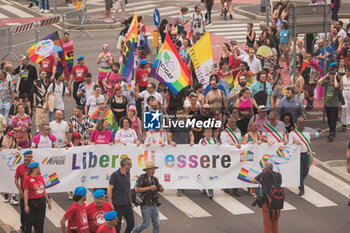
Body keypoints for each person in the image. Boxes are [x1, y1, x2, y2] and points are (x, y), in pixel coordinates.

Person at [168, 107, 194, 196]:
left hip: (186, 149)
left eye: (181, 113)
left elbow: (191, 134)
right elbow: (169, 135)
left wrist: (192, 141)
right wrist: (171, 142)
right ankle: (179, 187)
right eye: (178, 113)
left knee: (184, 168)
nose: (180, 114)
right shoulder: (173, 123)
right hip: (176, 150)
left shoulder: (187, 123)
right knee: (178, 169)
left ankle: (183, 185)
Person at [289, 117, 319, 196]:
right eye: (300, 123)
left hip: (307, 154)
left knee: (306, 171)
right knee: (300, 172)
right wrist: (295, 144)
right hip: (297, 155)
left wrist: (317, 131)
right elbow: (289, 144)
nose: (302, 124)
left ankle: (298, 181)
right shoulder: (292, 133)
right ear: (296, 123)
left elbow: (316, 135)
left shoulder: (308, 130)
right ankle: (301, 188)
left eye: (303, 122)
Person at [133, 161, 164, 233]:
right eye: (151, 169)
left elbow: (161, 190)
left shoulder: (155, 179)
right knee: (146, 224)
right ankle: (135, 231)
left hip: (154, 204)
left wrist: (161, 188)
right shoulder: (141, 177)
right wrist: (149, 188)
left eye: (154, 169)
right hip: (145, 205)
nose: (153, 171)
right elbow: (137, 189)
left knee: (157, 224)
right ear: (147, 170)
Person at [251, 162, 282, 233]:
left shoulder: (263, 174)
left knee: (267, 222)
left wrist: (262, 172)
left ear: (264, 168)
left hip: (267, 201)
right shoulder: (278, 175)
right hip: (278, 201)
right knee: (275, 221)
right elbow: (279, 183)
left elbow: (253, 180)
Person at [107, 157, 135, 233]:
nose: (131, 166)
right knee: (117, 227)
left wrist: (130, 202)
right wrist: (110, 203)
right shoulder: (115, 175)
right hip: (117, 205)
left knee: (131, 224)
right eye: (130, 164)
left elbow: (128, 189)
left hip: (127, 204)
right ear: (126, 165)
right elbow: (109, 189)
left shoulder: (128, 174)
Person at [23, 161, 52, 233]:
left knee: (40, 222)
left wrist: (48, 200)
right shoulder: (27, 179)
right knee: (30, 221)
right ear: (33, 169)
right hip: (32, 203)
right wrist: (26, 205)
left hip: (41, 202)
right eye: (37, 168)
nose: (38, 169)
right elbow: (26, 192)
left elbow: (43, 190)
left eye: (38, 167)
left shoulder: (40, 177)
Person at [220, 115, 241, 197]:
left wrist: (237, 145)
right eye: (231, 122)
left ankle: (235, 189)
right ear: (228, 123)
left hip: (237, 154)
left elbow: (240, 141)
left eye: (234, 122)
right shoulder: (224, 132)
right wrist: (232, 145)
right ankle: (227, 186)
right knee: (229, 171)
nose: (233, 124)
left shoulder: (238, 131)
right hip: (228, 154)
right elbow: (224, 144)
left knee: (236, 171)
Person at [318, 71, 340, 141]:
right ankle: (332, 131)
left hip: (334, 104)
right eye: (331, 76)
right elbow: (319, 81)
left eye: (333, 77)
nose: (331, 78)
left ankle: (331, 134)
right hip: (327, 104)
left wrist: (335, 77)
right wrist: (326, 76)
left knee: (333, 120)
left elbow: (336, 86)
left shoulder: (337, 83)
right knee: (329, 120)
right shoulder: (327, 83)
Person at [14, 150, 33, 232]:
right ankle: (23, 227)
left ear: (31, 158)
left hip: (32, 190)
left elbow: (39, 176)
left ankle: (29, 226)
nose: (26, 158)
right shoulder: (19, 167)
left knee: (31, 209)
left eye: (28, 157)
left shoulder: (33, 167)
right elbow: (16, 179)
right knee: (23, 210)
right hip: (23, 189)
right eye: (25, 157)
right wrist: (20, 191)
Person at [199, 128, 216, 198]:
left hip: (212, 160)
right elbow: (197, 149)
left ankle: (211, 192)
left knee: (210, 176)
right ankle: (203, 187)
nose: (209, 134)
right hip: (204, 160)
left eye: (210, 133)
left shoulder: (214, 140)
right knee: (204, 175)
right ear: (204, 134)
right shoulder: (202, 140)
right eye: (207, 133)